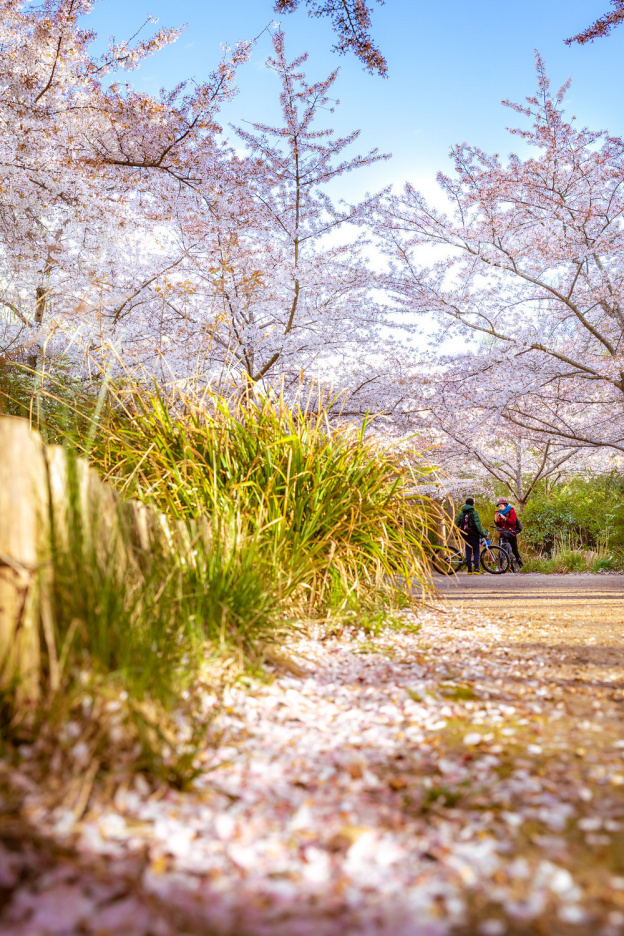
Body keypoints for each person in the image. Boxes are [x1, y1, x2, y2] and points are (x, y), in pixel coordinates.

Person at [454, 496, 486, 574]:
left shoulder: (462, 513)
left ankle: (469, 570)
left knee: (468, 550)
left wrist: (458, 532)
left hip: (465, 535)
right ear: (473, 504)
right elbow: (478, 525)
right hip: (474, 534)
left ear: (465, 504)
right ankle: (476, 569)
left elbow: (455, 524)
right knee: (476, 551)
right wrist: (482, 534)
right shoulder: (474, 513)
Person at [494, 497, 523, 568]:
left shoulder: (511, 511)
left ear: (505, 505)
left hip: (511, 533)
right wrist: (496, 520)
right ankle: (500, 567)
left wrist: (504, 517)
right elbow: (499, 525)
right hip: (503, 534)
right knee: (501, 551)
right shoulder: (500, 513)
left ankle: (521, 565)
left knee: (514, 550)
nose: (500, 508)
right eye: (499, 506)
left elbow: (513, 521)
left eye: (501, 506)